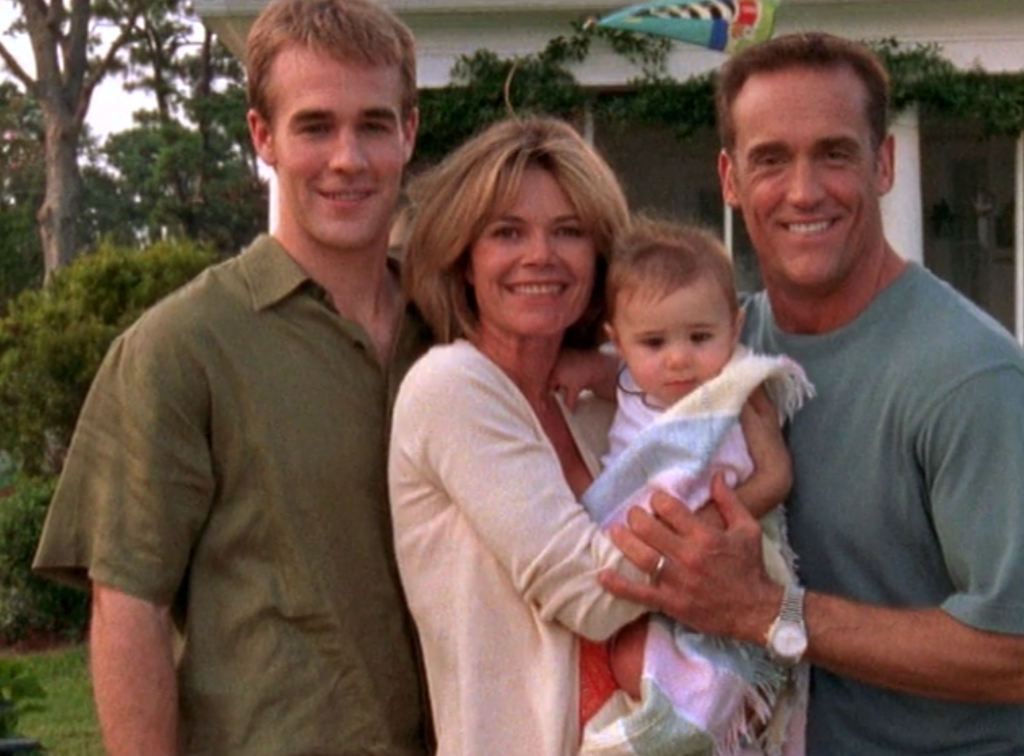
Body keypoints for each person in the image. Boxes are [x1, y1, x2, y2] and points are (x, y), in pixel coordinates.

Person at [598, 32, 1024, 756]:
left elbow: (1015, 652)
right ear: (730, 180)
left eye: (835, 153)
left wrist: (768, 612)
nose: (803, 191)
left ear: (883, 163)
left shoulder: (969, 377)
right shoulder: (721, 352)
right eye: (771, 159)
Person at [31, 1, 433, 754]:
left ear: (408, 132)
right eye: (315, 126)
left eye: (373, 124)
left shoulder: (452, 331)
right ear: (262, 137)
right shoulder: (181, 348)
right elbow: (128, 610)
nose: (347, 158)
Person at [388, 115, 644, 756]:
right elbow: (596, 594)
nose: (541, 256)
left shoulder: (600, 406)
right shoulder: (451, 388)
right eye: (507, 233)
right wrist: (737, 510)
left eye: (569, 232)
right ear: (465, 260)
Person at [577, 217, 812, 756]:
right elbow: (612, 377)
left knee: (714, 679)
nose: (679, 358)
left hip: (722, 567)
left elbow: (764, 481)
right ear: (618, 341)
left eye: (700, 337)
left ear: (735, 327)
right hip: (647, 571)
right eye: (654, 342)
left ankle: (674, 735)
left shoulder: (731, 398)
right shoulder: (628, 380)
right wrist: (584, 369)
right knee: (630, 659)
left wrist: (760, 487)